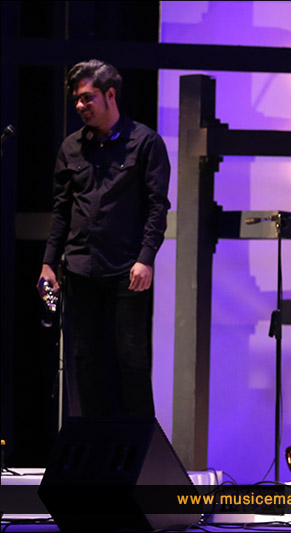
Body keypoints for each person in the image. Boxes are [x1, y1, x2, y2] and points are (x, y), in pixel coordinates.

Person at [37, 59, 170, 417]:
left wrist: (146, 258)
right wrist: (49, 262)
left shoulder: (145, 143)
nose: (80, 105)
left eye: (87, 97)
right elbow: (61, 209)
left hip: (127, 268)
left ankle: (139, 442)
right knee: (85, 358)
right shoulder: (71, 148)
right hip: (80, 268)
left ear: (110, 95)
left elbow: (157, 207)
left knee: (130, 356)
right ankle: (96, 439)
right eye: (76, 100)